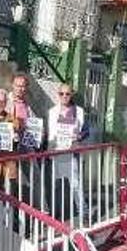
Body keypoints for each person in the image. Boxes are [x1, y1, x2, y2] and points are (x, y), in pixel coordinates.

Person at [47, 84, 89, 223]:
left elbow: (86, 131)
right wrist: (49, 149)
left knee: (75, 183)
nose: (64, 96)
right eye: (61, 94)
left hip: (71, 151)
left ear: (72, 95)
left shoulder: (79, 111)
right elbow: (50, 133)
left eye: (67, 94)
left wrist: (79, 137)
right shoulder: (52, 111)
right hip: (56, 150)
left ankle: (84, 213)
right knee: (56, 184)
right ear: (57, 95)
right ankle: (57, 215)